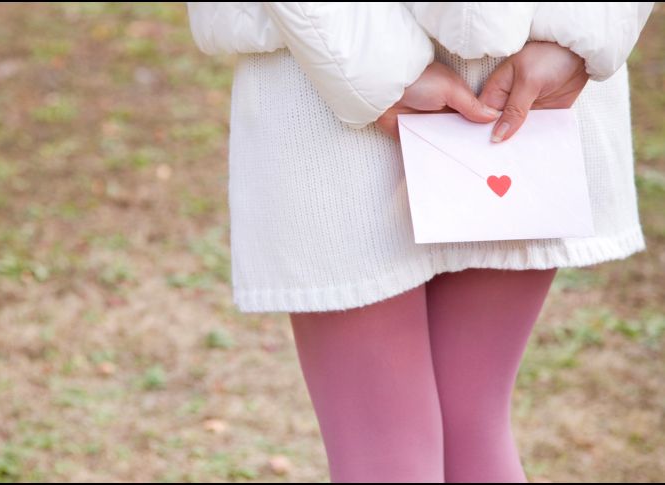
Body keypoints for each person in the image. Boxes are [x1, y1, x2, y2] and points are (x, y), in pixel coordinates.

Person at [186, 2, 654, 482]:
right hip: (501, 73)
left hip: (357, 65)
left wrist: (578, 38)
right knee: (459, 430)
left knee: (392, 447)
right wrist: (581, 30)